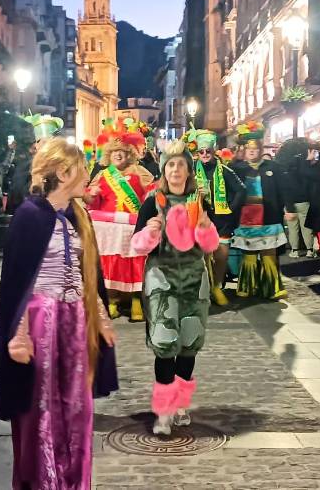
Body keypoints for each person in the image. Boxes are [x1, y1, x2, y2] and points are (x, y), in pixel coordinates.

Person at [0, 139, 118, 488]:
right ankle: (45, 480)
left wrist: (102, 319)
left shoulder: (79, 214)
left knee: (77, 403)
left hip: (75, 319)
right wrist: (18, 333)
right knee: (42, 406)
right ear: (63, 173)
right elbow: (16, 282)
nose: (88, 176)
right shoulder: (29, 216)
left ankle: (75, 479)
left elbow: (87, 271)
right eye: (81, 169)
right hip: (41, 319)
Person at [130, 140, 220, 436]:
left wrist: (205, 227)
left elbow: (211, 246)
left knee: (190, 341)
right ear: (163, 170)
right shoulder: (152, 203)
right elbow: (136, 245)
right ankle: (164, 410)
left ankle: (181, 404)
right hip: (162, 281)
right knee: (165, 343)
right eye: (170, 164)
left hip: (194, 280)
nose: (176, 169)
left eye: (181, 164)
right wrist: (150, 232)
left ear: (189, 170)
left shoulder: (199, 201)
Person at [86, 122, 155, 321]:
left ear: (129, 154)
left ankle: (135, 300)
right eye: (114, 151)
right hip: (109, 230)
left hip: (133, 227)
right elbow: (91, 201)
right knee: (111, 264)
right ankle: (112, 300)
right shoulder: (102, 174)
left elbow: (152, 196)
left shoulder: (140, 172)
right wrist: (92, 194)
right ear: (109, 154)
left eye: (122, 152)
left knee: (135, 264)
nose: (118, 155)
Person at [229, 121, 288, 300]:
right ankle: (248, 286)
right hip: (246, 218)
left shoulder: (273, 167)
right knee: (249, 255)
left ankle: (272, 288)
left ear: (261, 149)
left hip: (269, 217)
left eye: (255, 148)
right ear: (244, 151)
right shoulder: (235, 169)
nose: (252, 151)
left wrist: (289, 209)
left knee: (269, 253)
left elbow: (283, 189)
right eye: (249, 149)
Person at [187, 129, 246, 306]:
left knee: (222, 254)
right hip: (198, 219)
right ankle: (201, 288)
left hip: (221, 220)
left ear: (214, 151)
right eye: (201, 151)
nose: (204, 154)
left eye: (208, 151)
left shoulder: (225, 171)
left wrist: (230, 209)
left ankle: (217, 286)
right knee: (199, 257)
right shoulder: (190, 171)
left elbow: (241, 191)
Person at [279, 144, 317, 259]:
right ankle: (309, 250)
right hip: (304, 202)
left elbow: (284, 190)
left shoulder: (286, 174)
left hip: (291, 203)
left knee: (292, 228)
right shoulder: (305, 173)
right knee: (306, 228)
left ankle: (294, 250)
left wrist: (288, 206)